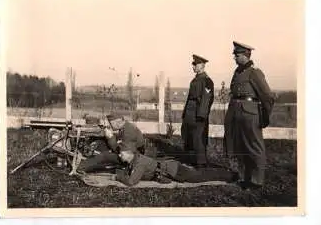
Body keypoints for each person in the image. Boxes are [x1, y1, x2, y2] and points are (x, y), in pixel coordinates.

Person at [224, 41, 275, 190]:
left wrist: (264, 116)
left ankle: (257, 181)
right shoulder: (237, 72)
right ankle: (244, 177)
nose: (234, 58)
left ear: (246, 55)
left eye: (237, 55)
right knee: (240, 146)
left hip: (250, 114)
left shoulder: (255, 72)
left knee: (254, 147)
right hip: (236, 113)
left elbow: (268, 96)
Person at [113, 142, 236, 187]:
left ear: (129, 153)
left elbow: (131, 182)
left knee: (201, 176)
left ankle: (229, 175)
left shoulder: (139, 163)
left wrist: (118, 177)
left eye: (121, 154)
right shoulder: (136, 159)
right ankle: (229, 174)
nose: (119, 156)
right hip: (171, 168)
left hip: (176, 171)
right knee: (200, 174)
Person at [76, 114, 145, 173]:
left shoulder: (129, 131)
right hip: (131, 153)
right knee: (102, 144)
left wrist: (111, 137)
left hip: (132, 158)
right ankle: (87, 159)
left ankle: (80, 168)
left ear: (116, 122)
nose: (110, 126)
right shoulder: (126, 127)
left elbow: (123, 154)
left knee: (104, 155)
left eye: (111, 124)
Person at [181, 54, 214, 168]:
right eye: (193, 64)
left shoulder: (207, 80)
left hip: (198, 111)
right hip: (190, 111)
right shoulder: (194, 80)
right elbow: (189, 97)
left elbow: (207, 98)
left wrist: (201, 115)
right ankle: (191, 160)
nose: (193, 66)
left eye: (195, 64)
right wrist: (185, 113)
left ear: (202, 65)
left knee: (198, 136)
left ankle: (201, 163)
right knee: (188, 134)